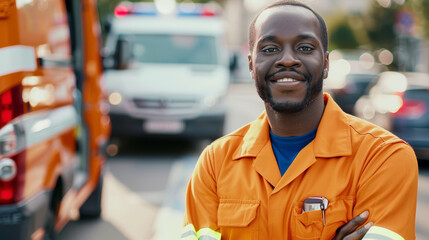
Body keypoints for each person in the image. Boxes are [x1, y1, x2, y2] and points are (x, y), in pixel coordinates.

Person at [182, 1, 418, 239]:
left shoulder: (382, 157)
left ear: (326, 65)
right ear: (252, 65)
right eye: (270, 49)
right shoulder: (215, 163)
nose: (287, 60)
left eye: (305, 48)